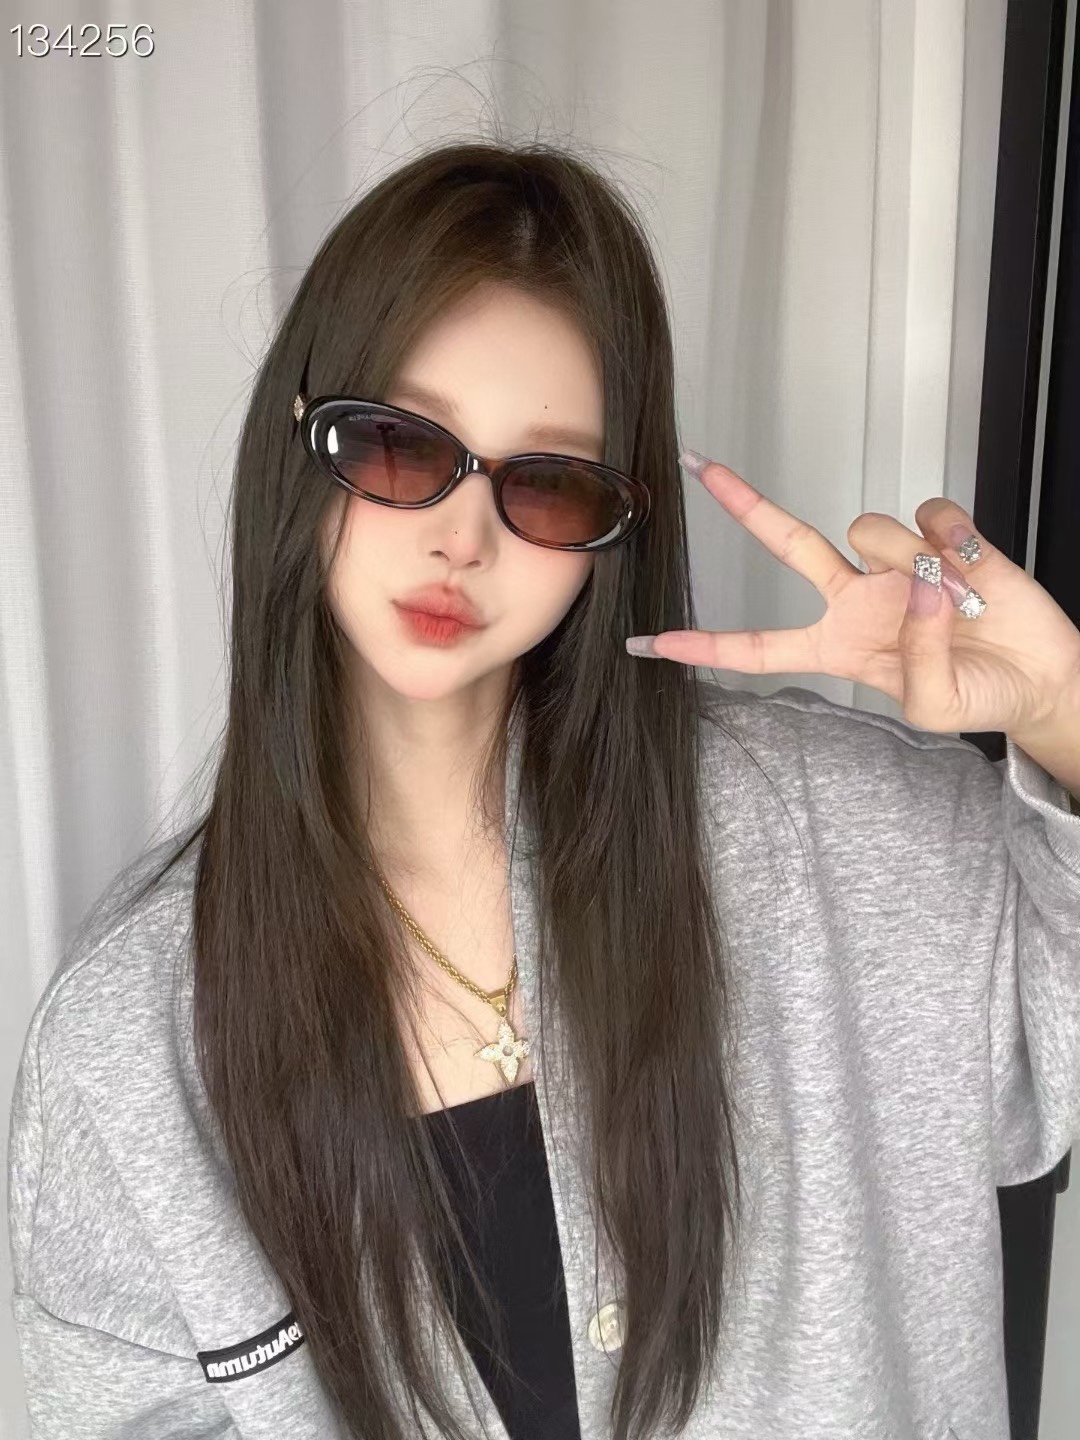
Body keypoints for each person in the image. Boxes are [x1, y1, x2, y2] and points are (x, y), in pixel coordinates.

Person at [7, 138, 1080, 1440]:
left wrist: (1063, 710)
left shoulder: (833, 830)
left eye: (547, 484)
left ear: (612, 528)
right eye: (398, 446)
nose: (461, 538)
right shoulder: (128, 1047)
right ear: (302, 441)